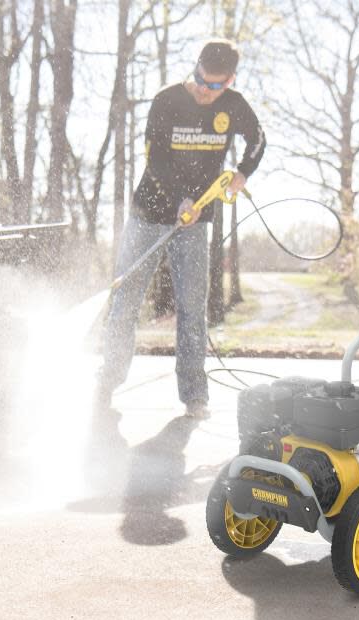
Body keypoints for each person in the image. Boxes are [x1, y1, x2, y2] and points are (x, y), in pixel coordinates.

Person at [96, 38, 266, 420]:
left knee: (192, 308)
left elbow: (258, 139)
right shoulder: (167, 100)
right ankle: (107, 380)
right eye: (201, 80)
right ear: (196, 69)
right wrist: (178, 199)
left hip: (195, 223)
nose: (205, 91)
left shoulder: (234, 105)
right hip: (148, 214)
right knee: (126, 301)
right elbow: (154, 158)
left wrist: (243, 172)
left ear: (229, 81)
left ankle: (194, 395)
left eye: (215, 86)